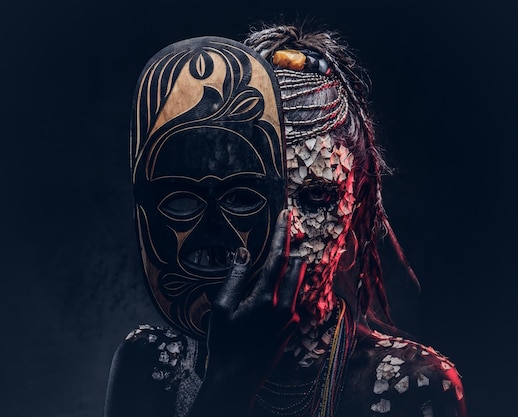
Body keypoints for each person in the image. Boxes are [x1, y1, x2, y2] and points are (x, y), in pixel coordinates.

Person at [105, 23, 467, 417]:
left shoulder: (415, 385)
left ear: (357, 206)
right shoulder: (151, 364)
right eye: (252, 197)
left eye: (316, 197)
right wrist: (232, 378)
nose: (288, 229)